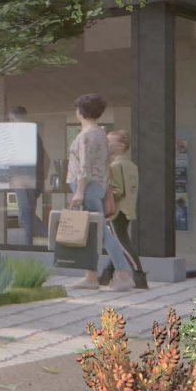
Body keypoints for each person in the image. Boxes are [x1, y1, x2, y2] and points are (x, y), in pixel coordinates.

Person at [66, 94, 135, 290]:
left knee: (101, 233)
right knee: (94, 233)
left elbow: (84, 166)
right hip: (95, 186)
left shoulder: (87, 136)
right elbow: (105, 164)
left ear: (80, 112)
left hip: (86, 187)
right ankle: (90, 277)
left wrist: (79, 191)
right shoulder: (101, 134)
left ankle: (123, 274)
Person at [103, 128, 147, 290]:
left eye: (110, 141)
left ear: (121, 146)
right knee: (117, 242)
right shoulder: (131, 165)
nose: (106, 144)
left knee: (122, 243)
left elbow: (117, 190)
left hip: (116, 211)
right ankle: (106, 274)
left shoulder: (115, 166)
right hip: (128, 208)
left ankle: (139, 276)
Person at [7, 107, 47, 247]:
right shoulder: (33, 134)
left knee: (25, 213)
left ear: (13, 118)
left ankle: (31, 243)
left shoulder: (20, 134)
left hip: (24, 180)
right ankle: (41, 237)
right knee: (27, 212)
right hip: (29, 179)